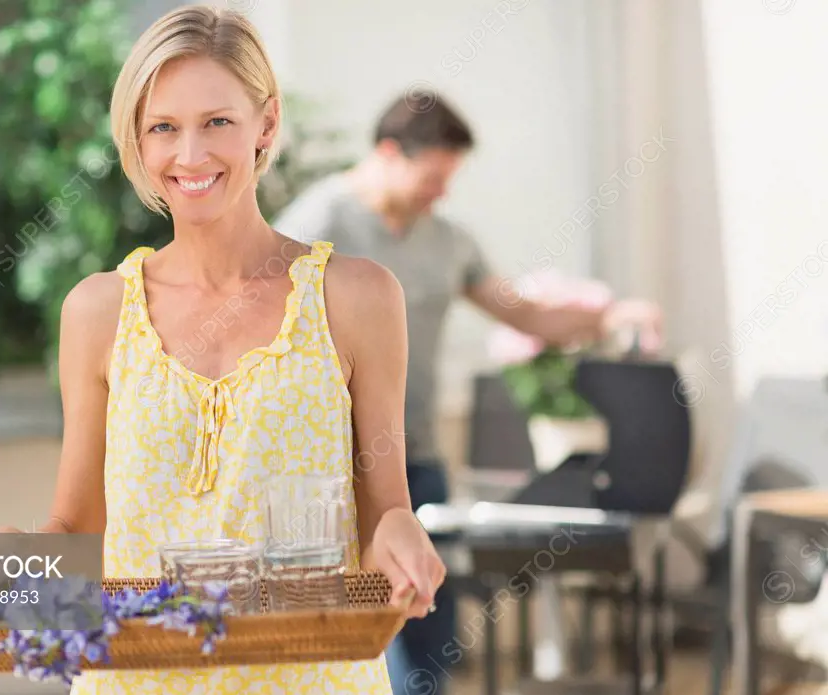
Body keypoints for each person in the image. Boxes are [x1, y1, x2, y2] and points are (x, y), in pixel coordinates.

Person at [0, 6, 445, 694]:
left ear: (265, 123)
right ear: (138, 142)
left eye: (217, 122)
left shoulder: (357, 298)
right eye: (163, 127)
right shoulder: (96, 311)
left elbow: (383, 508)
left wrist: (403, 536)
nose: (190, 155)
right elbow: (80, 526)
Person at [272, 93, 662, 692]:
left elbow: (526, 317)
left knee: (429, 624)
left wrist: (609, 316)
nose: (442, 193)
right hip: (330, 465)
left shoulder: (451, 242)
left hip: (418, 458)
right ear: (388, 153)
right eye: (433, 178)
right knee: (365, 630)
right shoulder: (316, 224)